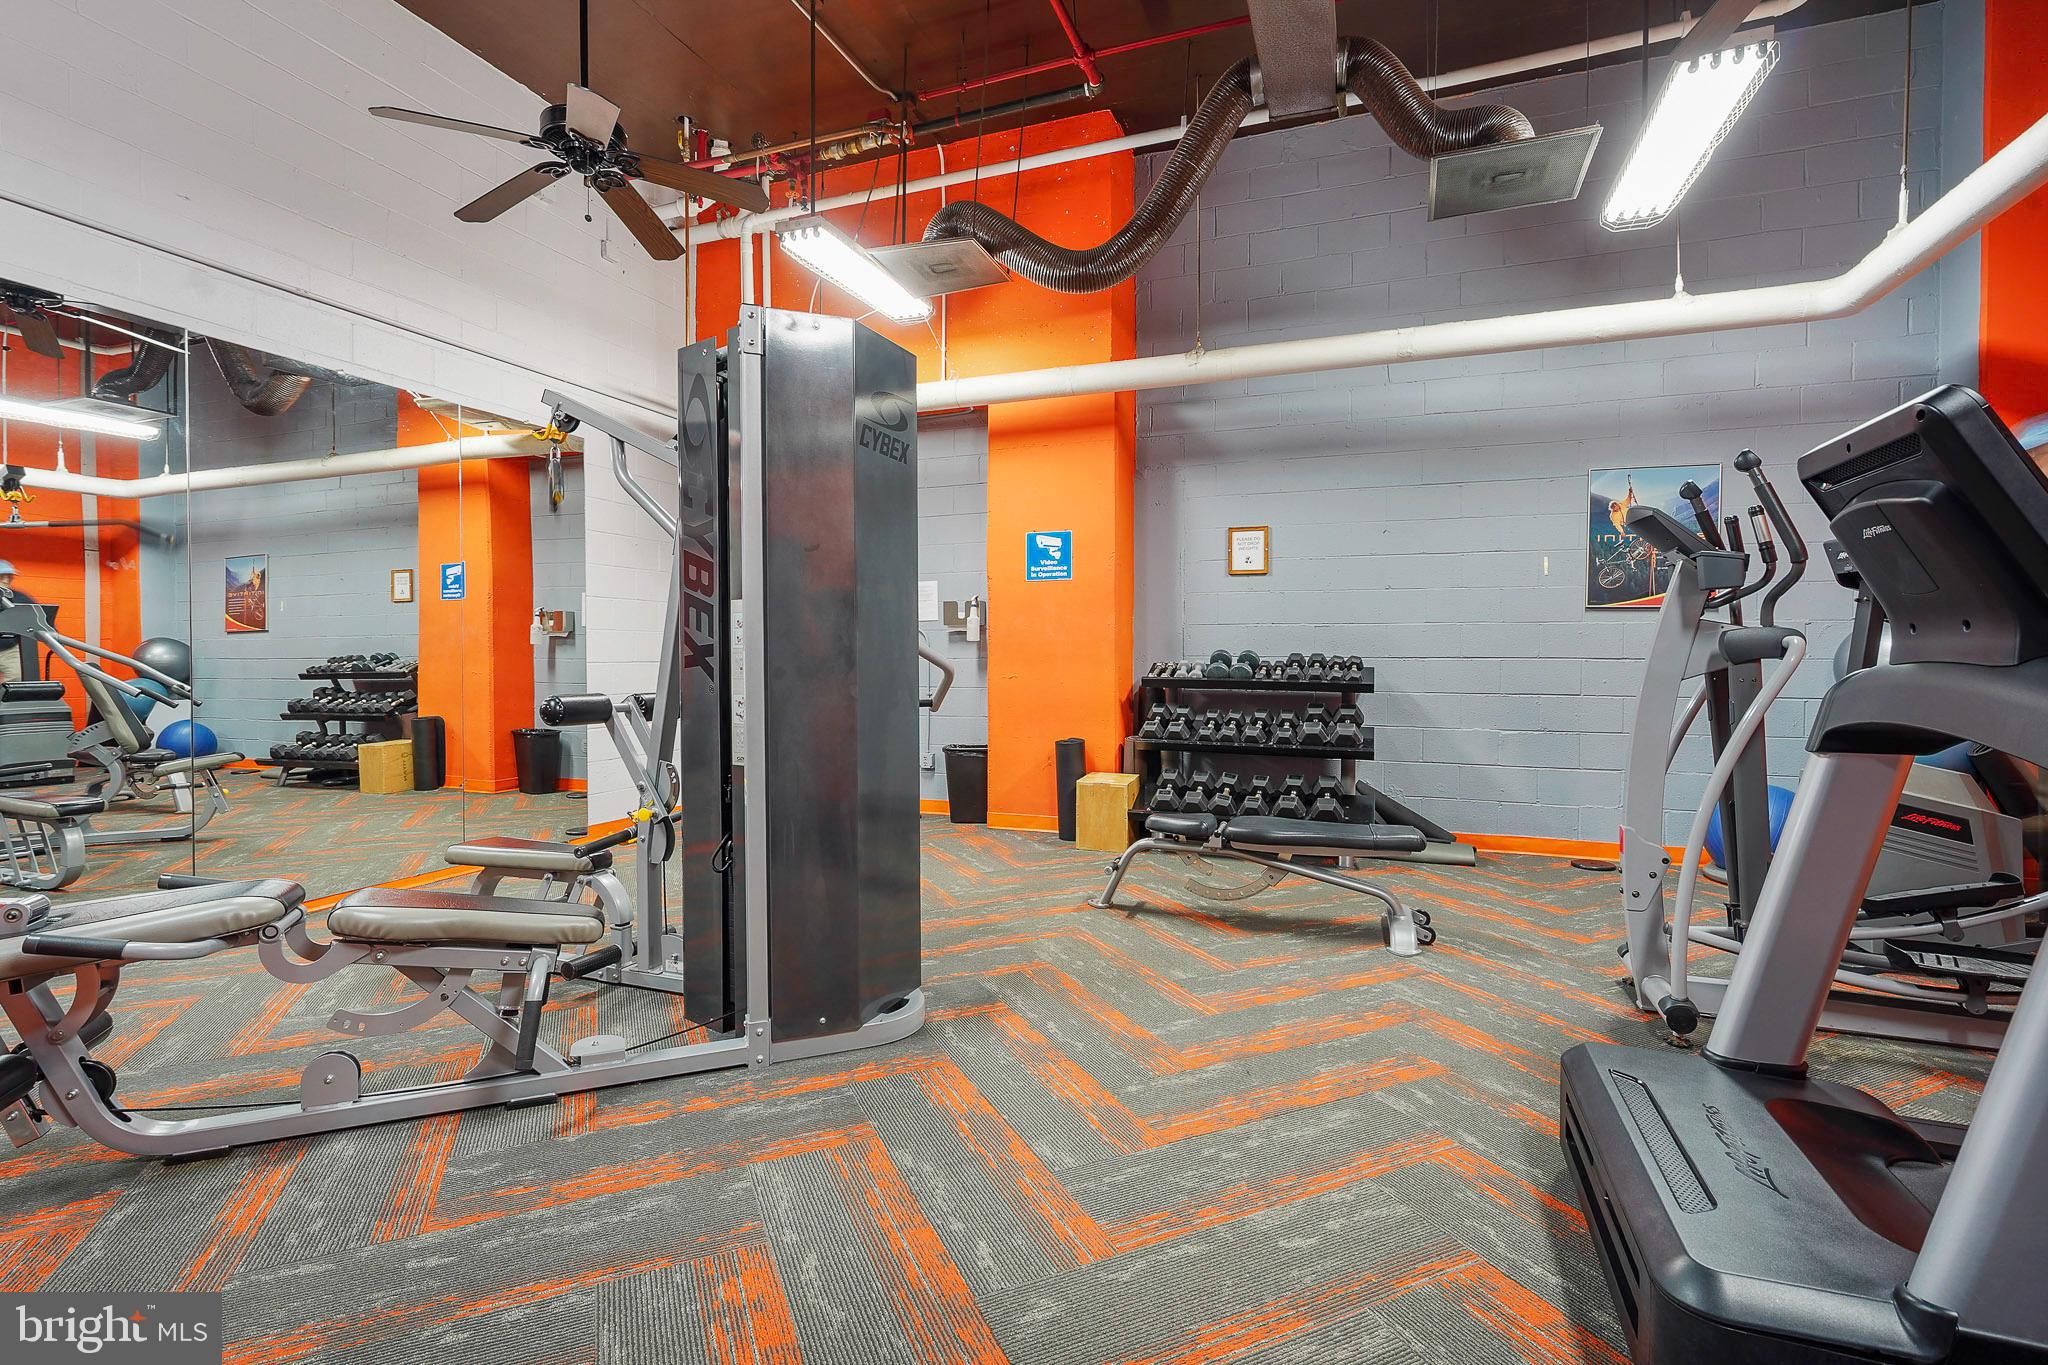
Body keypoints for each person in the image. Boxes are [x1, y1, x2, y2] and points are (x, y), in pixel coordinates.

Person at [0, 560, 42, 684]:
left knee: (18, 679)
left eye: (9, 576)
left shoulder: (19, 597)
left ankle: (8, 702)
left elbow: (39, 616)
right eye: (2, 576)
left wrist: (53, 634)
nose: (6, 580)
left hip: (9, 648)